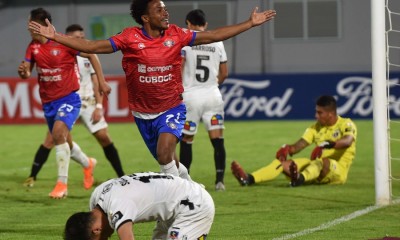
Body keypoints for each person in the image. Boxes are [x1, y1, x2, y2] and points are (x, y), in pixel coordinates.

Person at [28, 0, 276, 182]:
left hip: (172, 107)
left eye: (165, 8)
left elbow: (212, 35)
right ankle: (190, 188)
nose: (165, 12)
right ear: (145, 17)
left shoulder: (177, 34)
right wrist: (56, 36)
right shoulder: (129, 38)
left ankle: (178, 205)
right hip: (143, 114)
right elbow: (92, 45)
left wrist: (249, 24)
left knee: (164, 152)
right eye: (159, 9)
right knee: (171, 162)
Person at [23, 24, 125, 188]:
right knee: (53, 139)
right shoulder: (59, 51)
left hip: (87, 102)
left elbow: (96, 82)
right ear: (67, 37)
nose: (81, 40)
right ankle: (32, 176)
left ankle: (122, 176)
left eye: (82, 37)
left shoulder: (86, 55)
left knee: (104, 138)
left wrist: (99, 106)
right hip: (67, 100)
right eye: (77, 38)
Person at [18, 8, 102, 198]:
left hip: (69, 98)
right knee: (65, 142)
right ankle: (88, 163)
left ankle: (61, 185)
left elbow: (91, 54)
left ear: (39, 25)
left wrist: (102, 81)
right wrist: (22, 71)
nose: (27, 27)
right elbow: (27, 74)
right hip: (48, 102)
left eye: (30, 23)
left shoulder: (63, 42)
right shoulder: (32, 46)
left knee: (57, 134)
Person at [231, 95, 357, 187]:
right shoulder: (316, 128)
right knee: (281, 164)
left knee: (322, 162)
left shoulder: (346, 123)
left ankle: (298, 179)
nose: (316, 116)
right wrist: (287, 148)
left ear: (331, 114)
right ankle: (248, 179)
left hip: (337, 170)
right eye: (316, 112)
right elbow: (300, 145)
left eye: (320, 113)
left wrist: (328, 144)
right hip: (314, 169)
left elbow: (348, 141)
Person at [64, 172, 214, 240]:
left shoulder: (118, 206)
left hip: (195, 206)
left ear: (96, 230)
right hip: (173, 207)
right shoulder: (97, 196)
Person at [179, 9, 228, 191]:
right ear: (205, 25)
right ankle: (219, 181)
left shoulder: (186, 41)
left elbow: (180, 67)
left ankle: (185, 182)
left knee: (187, 139)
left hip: (191, 97)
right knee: (217, 139)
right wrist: (213, 85)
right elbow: (224, 74)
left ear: (188, 24)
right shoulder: (218, 42)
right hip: (212, 96)